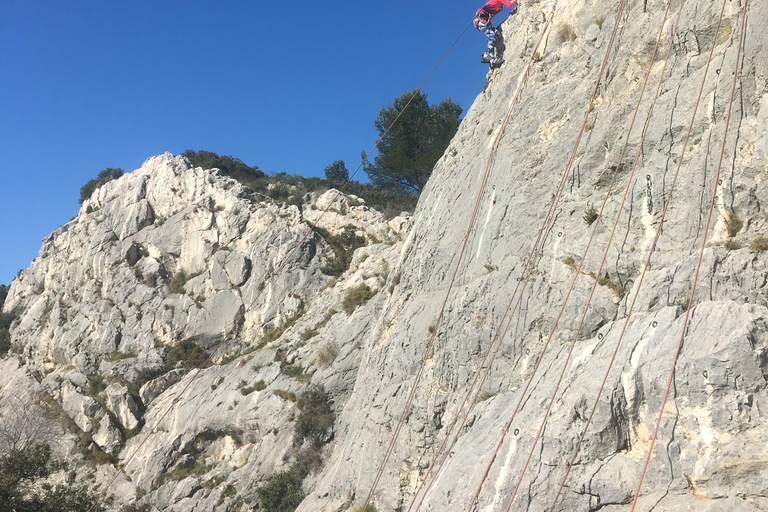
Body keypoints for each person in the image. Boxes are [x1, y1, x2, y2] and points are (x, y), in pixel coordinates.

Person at [475, 0, 518, 66]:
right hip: (481, 19)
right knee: (491, 35)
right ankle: (492, 60)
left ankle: (486, 56)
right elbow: (509, 4)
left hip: (483, 19)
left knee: (497, 35)